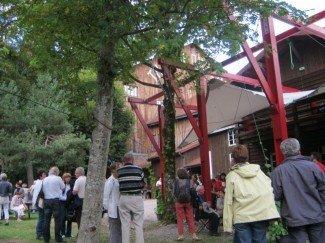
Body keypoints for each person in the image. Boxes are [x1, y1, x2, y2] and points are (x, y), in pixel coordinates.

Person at [271, 138, 325, 243]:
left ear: (283, 153)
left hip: (293, 217)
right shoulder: (313, 167)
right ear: (299, 149)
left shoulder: (278, 172)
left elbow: (275, 195)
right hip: (316, 213)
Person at [223, 144, 279, 243]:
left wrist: (227, 226)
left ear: (233, 159)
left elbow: (228, 201)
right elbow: (269, 191)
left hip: (242, 217)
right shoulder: (259, 172)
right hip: (260, 214)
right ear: (247, 156)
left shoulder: (231, 176)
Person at [118, 153, 145, 243]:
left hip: (123, 198)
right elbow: (143, 184)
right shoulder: (139, 170)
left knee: (125, 224)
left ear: (124, 160)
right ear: (132, 160)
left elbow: (119, 183)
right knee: (138, 224)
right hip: (136, 197)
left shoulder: (119, 171)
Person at [173, 168, 199, 241]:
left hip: (179, 202)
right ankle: (194, 235)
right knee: (190, 218)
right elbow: (193, 191)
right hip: (188, 202)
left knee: (180, 219)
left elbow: (174, 192)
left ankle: (181, 235)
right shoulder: (189, 181)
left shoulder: (176, 181)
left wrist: (177, 198)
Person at [43, 166, 65, 243]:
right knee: (57, 220)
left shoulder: (45, 179)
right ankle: (58, 238)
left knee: (46, 220)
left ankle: (46, 238)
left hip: (47, 200)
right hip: (55, 201)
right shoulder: (58, 178)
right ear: (56, 172)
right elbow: (63, 187)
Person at [103, 163, 122, 243]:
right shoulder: (110, 181)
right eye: (119, 168)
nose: (120, 170)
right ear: (114, 170)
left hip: (120, 207)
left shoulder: (118, 180)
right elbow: (105, 196)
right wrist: (108, 209)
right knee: (114, 229)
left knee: (120, 229)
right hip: (113, 208)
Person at [31, 169, 47, 240]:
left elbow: (31, 191)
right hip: (40, 201)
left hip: (39, 201)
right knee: (42, 218)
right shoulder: (40, 182)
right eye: (44, 174)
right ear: (41, 175)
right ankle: (39, 234)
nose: (45, 175)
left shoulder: (36, 182)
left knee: (42, 218)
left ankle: (40, 233)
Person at [60, 173, 72, 238]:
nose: (68, 178)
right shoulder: (62, 185)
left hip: (69, 203)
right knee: (63, 218)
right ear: (64, 178)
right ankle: (62, 233)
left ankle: (68, 233)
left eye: (69, 177)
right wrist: (66, 199)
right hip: (62, 203)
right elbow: (59, 195)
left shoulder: (71, 185)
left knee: (70, 218)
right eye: (66, 177)